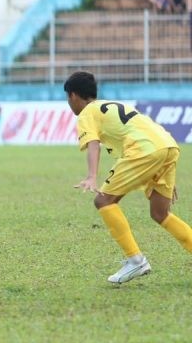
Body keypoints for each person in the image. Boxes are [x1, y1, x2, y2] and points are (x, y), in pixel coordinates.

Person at [65, 71, 192, 284]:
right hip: (167, 146)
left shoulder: (87, 113)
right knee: (160, 213)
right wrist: (164, 167)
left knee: (103, 200)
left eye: (68, 98)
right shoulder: (112, 105)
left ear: (74, 96)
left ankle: (136, 260)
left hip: (144, 150)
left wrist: (91, 176)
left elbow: (93, 143)